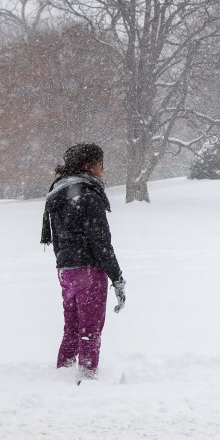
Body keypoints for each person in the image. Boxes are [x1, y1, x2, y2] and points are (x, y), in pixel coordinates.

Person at [40, 143, 125, 382]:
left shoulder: (57, 192)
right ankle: (87, 377)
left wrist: (65, 263)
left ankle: (63, 373)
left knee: (72, 328)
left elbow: (55, 237)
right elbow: (101, 242)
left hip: (66, 270)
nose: (103, 168)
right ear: (88, 166)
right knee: (91, 329)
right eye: (100, 163)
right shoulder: (89, 193)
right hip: (89, 270)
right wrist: (116, 277)